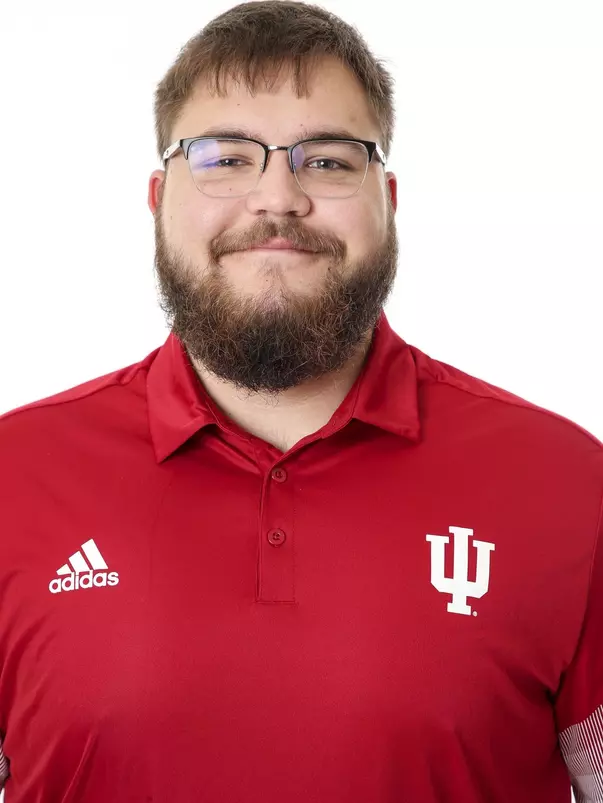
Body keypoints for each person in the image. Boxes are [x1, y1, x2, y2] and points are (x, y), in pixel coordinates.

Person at [0, 1, 601, 800]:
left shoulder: (564, 482)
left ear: (387, 197)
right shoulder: (15, 476)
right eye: (223, 156)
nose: (277, 197)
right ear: (156, 197)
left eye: (326, 160)